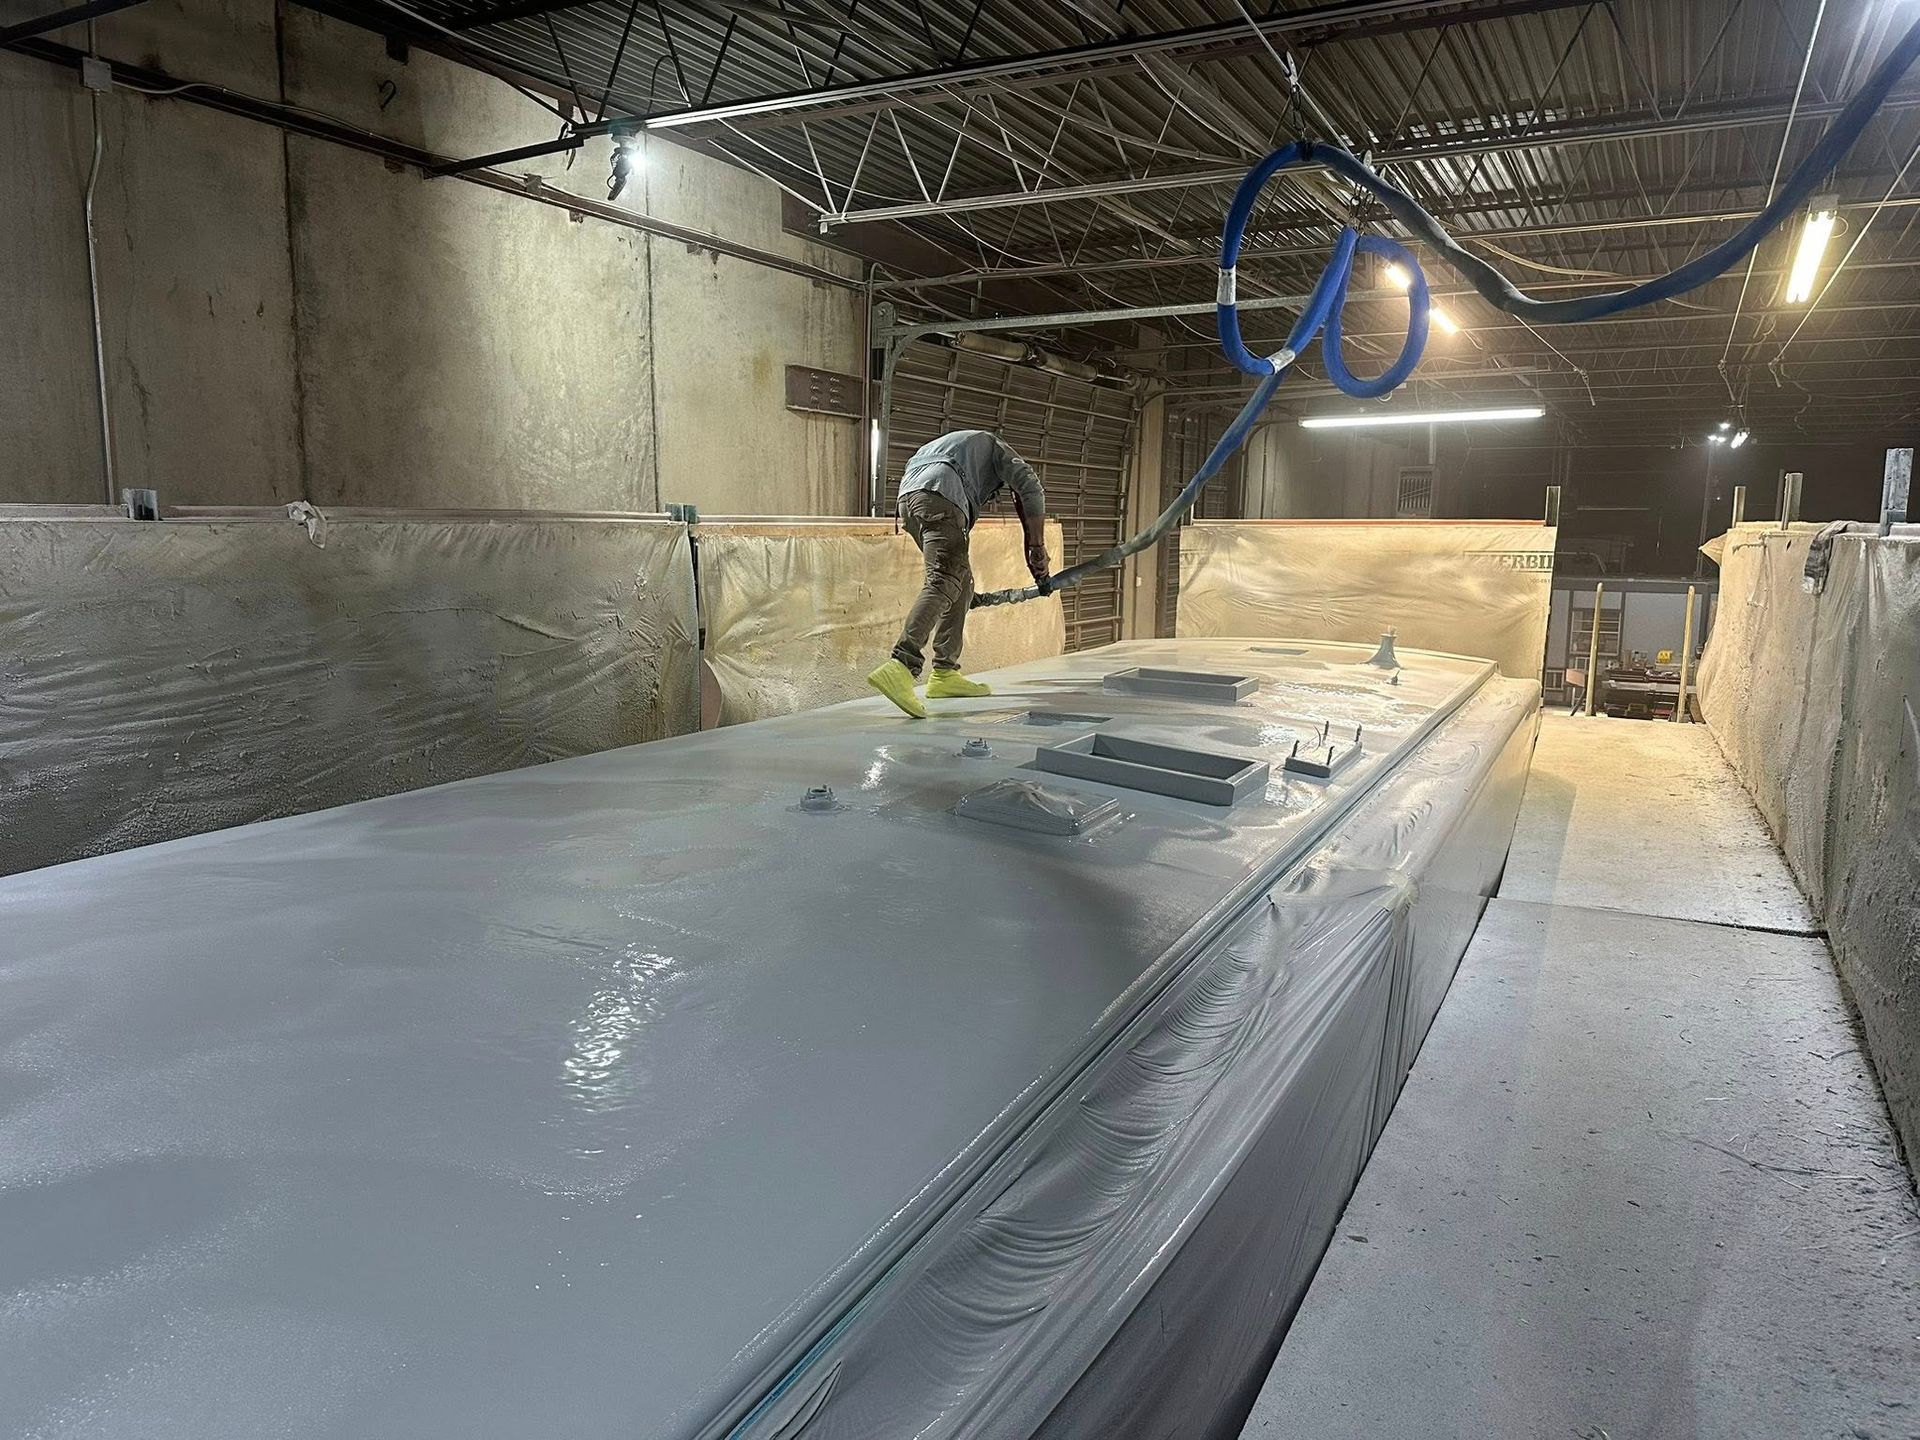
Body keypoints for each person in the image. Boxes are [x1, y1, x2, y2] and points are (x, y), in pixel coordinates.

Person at [866, 429, 1052, 719]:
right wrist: (1038, 548)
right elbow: (1031, 488)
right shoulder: (997, 448)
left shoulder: (957, 447)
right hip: (941, 495)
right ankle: (902, 664)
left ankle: (944, 674)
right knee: (945, 579)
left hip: (909, 500)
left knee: (961, 583)